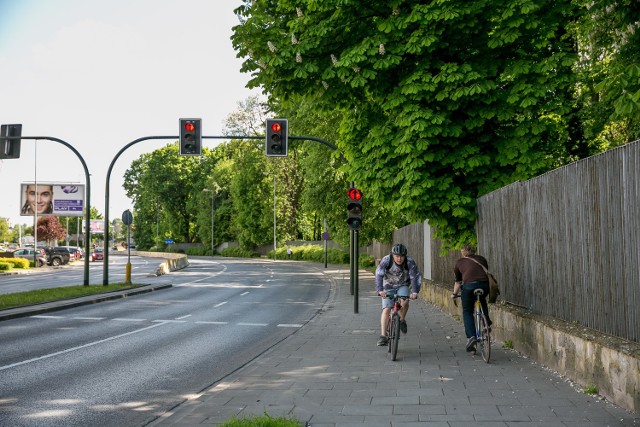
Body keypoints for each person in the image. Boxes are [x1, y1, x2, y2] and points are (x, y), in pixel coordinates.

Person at [375, 243, 422, 346]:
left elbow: (415, 277)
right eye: (397, 256)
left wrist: (414, 292)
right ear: (392, 255)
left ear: (405, 256)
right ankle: (383, 336)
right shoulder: (387, 260)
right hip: (388, 285)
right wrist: (379, 290)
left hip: (403, 285)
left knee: (404, 302)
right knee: (387, 309)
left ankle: (402, 319)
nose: (399, 259)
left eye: (401, 256)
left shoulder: (409, 262)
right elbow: (379, 274)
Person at [452, 243, 493, 352]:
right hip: (484, 286)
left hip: (469, 287)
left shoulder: (459, 262)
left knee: (467, 311)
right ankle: (486, 323)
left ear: (463, 253)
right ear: (474, 251)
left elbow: (458, 282)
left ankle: (471, 337)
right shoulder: (482, 259)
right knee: (482, 299)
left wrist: (454, 294)